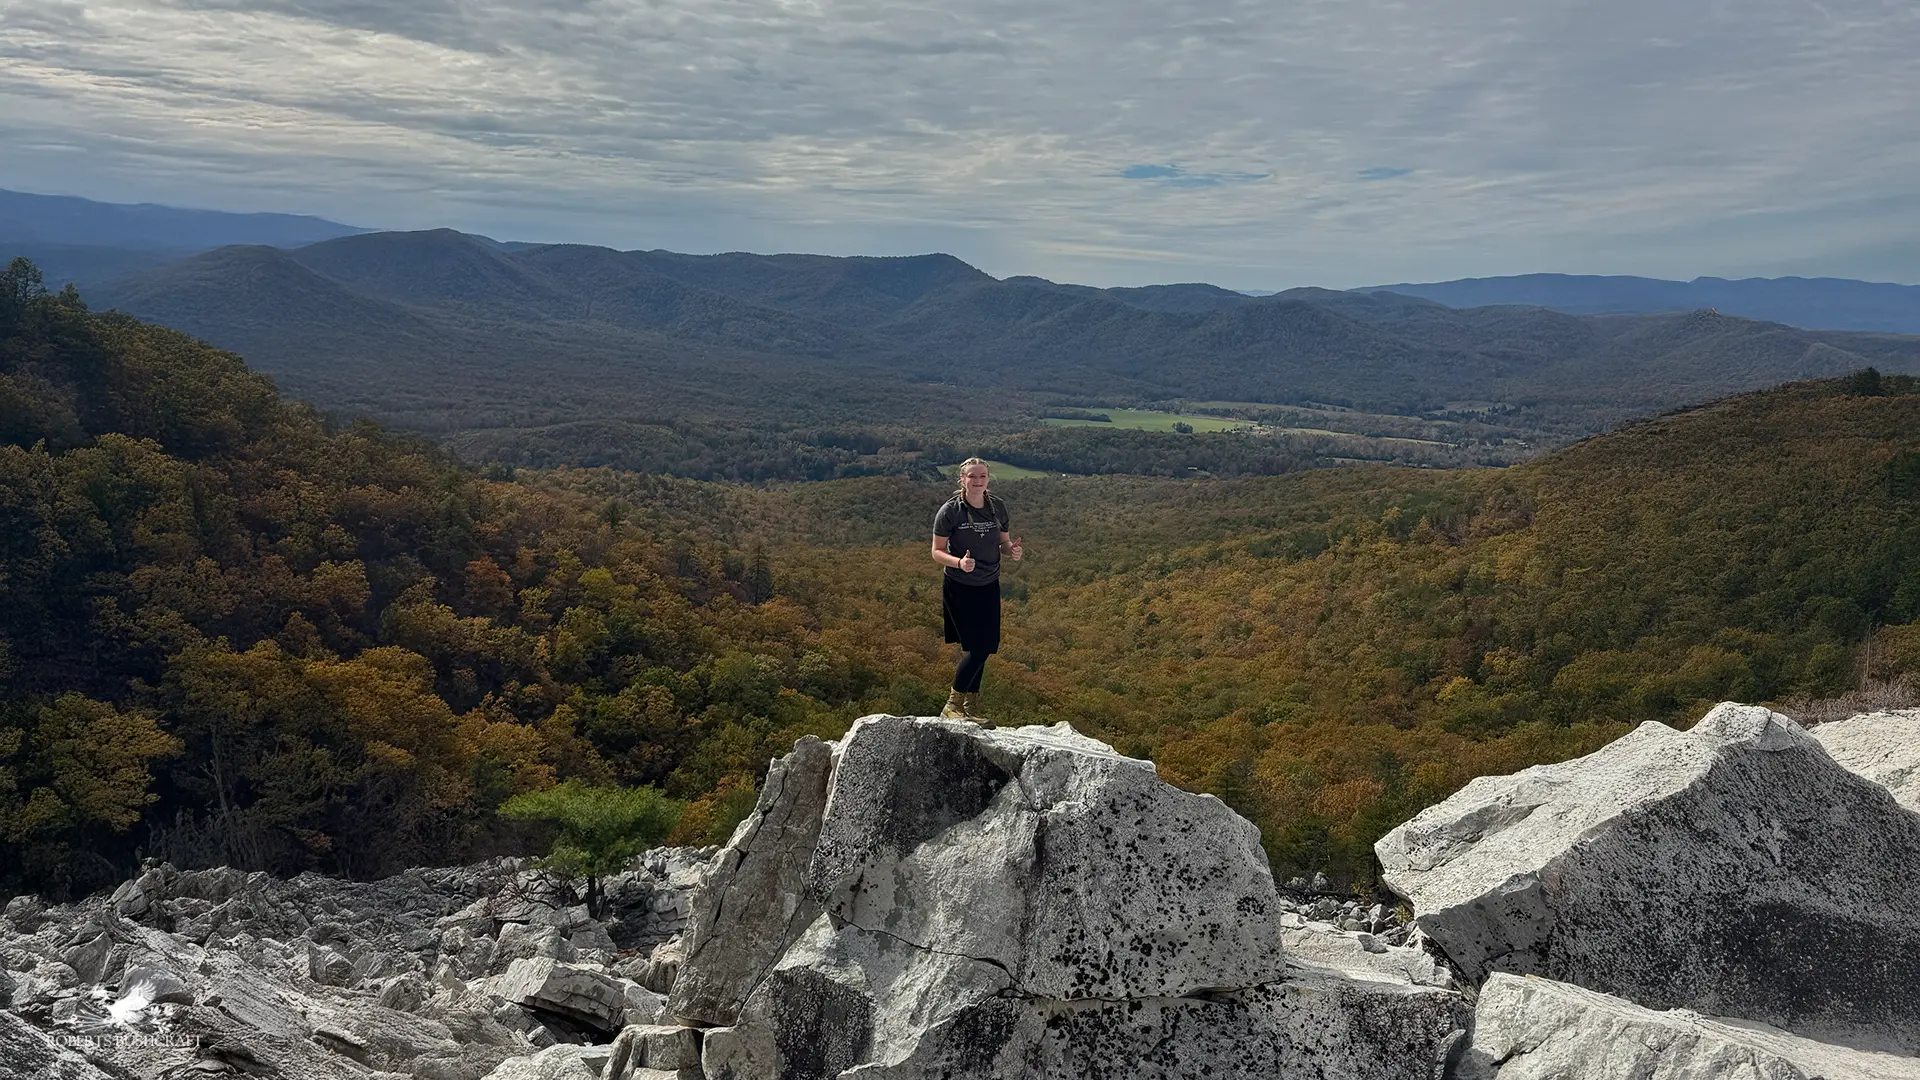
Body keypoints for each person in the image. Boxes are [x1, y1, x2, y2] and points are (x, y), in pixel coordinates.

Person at [932, 458, 1023, 721]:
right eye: (972, 476)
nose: (978, 481)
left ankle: (969, 707)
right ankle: (952, 704)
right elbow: (937, 552)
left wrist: (1012, 551)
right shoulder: (950, 511)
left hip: (988, 583)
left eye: (982, 476)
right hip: (960, 585)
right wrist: (959, 563)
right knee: (978, 647)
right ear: (962, 479)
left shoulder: (997, 507)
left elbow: (1003, 543)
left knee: (987, 644)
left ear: (988, 479)